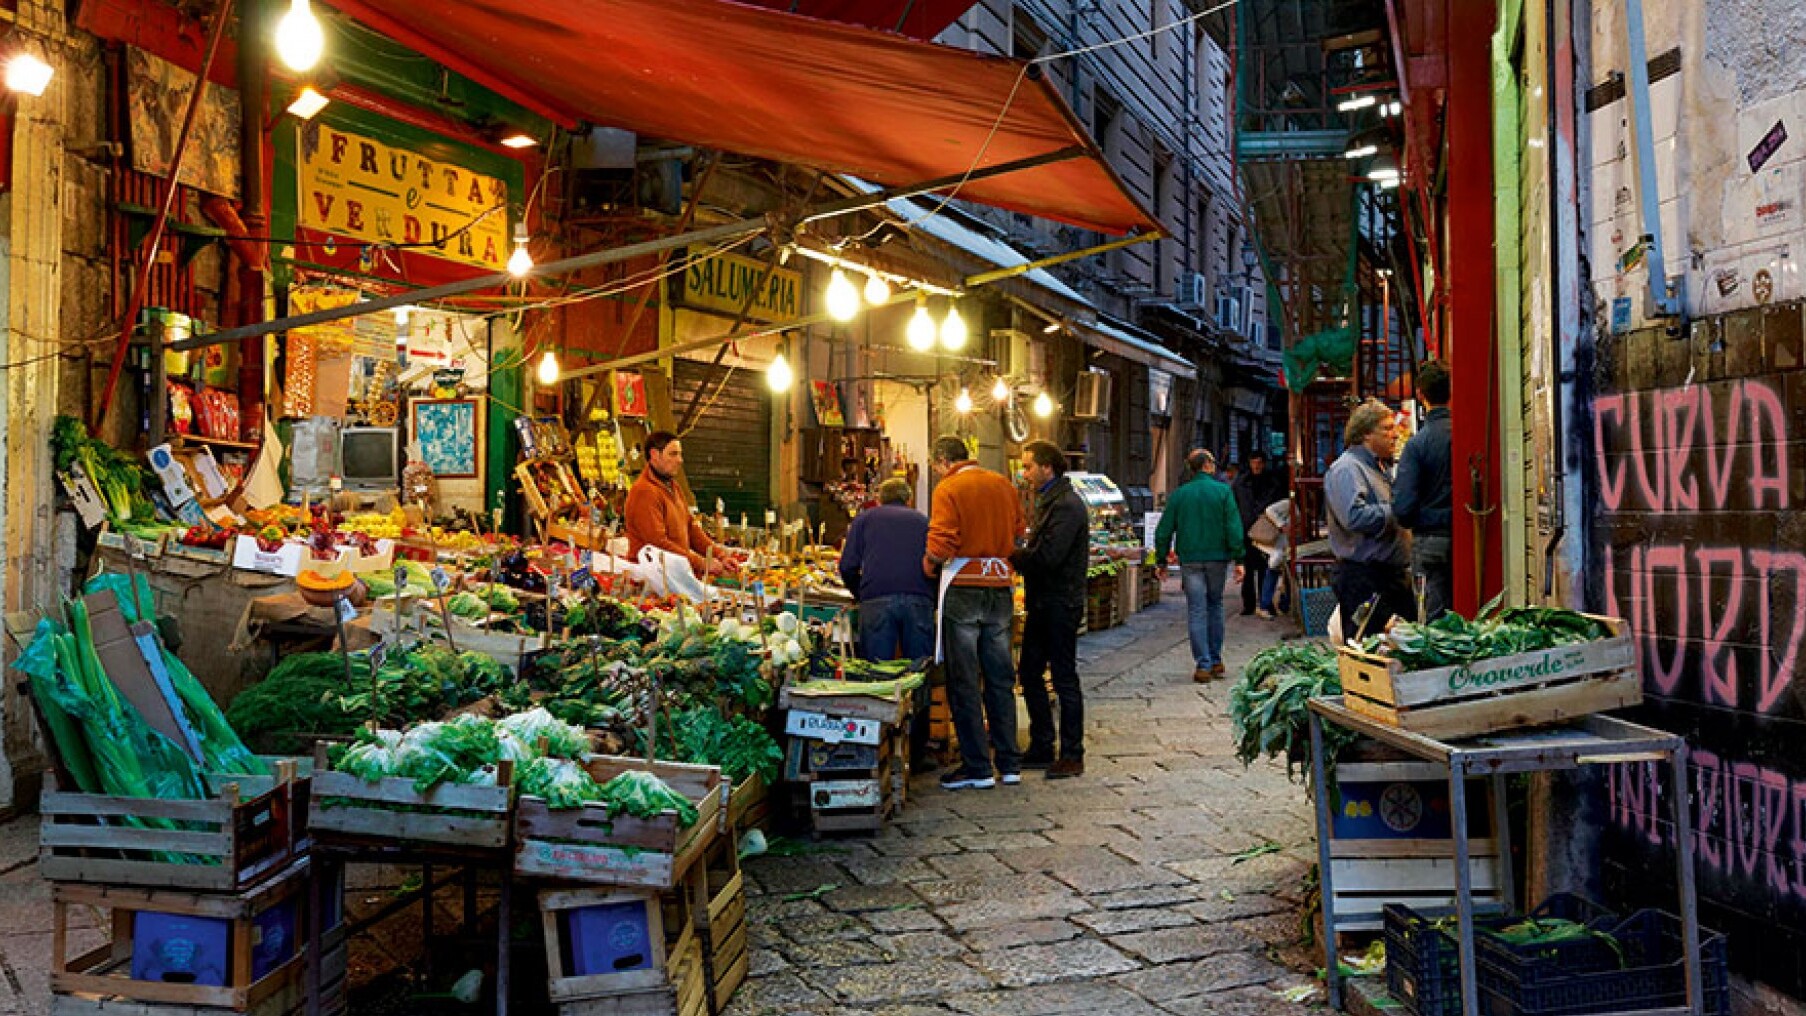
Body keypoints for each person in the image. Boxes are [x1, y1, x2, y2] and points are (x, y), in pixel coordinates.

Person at [924, 435, 1027, 790]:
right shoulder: (1003, 484)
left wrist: (928, 564)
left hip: (963, 586)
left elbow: (942, 542)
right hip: (999, 586)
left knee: (965, 679)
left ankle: (978, 767)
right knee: (1000, 677)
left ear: (942, 461)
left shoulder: (948, 488)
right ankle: (1009, 764)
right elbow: (1019, 532)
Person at [1009, 440, 1088, 779]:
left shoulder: (1067, 506)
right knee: (1029, 672)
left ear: (1047, 467)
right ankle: (1042, 744)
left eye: (1028, 466)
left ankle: (1072, 753)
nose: (1024, 473)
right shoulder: (1051, 501)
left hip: (1060, 602)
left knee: (1063, 676)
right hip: (1044, 602)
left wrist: (1012, 554)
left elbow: (1049, 557)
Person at [1325, 399, 1415, 637]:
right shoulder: (1347, 469)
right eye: (1387, 429)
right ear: (1366, 434)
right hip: (1364, 578)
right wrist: (1395, 510)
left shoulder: (1378, 468)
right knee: (1368, 643)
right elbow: (1354, 517)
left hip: (1389, 576)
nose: (1395, 435)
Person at [1154, 449, 1244, 682]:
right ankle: (1215, 659)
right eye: (1212, 462)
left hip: (1190, 559)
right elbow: (1233, 527)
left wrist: (1161, 560)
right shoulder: (1223, 492)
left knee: (1196, 609)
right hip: (1217, 557)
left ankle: (1202, 664)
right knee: (1215, 604)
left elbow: (1163, 530)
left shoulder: (1180, 495)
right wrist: (1239, 558)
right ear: (1206, 465)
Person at [839, 478, 935, 662]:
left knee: (877, 667)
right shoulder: (924, 522)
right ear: (909, 500)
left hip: (877, 598)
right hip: (918, 598)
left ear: (879, 500)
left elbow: (847, 566)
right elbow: (935, 562)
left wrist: (861, 592)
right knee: (919, 667)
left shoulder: (863, 520)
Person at [624, 431, 735, 576]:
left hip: (674, 574)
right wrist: (701, 563)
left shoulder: (673, 487)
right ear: (654, 455)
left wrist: (720, 555)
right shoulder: (644, 491)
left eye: (680, 454)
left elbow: (690, 528)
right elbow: (658, 544)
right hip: (652, 577)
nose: (680, 460)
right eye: (673, 454)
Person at [1393, 359, 1453, 621]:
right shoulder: (1461, 436)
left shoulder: (1417, 445)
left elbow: (1403, 508)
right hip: (1465, 536)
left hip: (1429, 540)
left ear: (1420, 394)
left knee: (1433, 618)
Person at [1233, 451, 1284, 617]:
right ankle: (1249, 604)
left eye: (1259, 462)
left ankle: (1264, 603)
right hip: (1246, 529)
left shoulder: (1272, 483)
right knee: (1247, 568)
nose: (1256, 466)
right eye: (1254, 462)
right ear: (1249, 463)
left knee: (1265, 567)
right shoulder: (1240, 483)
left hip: (1266, 530)